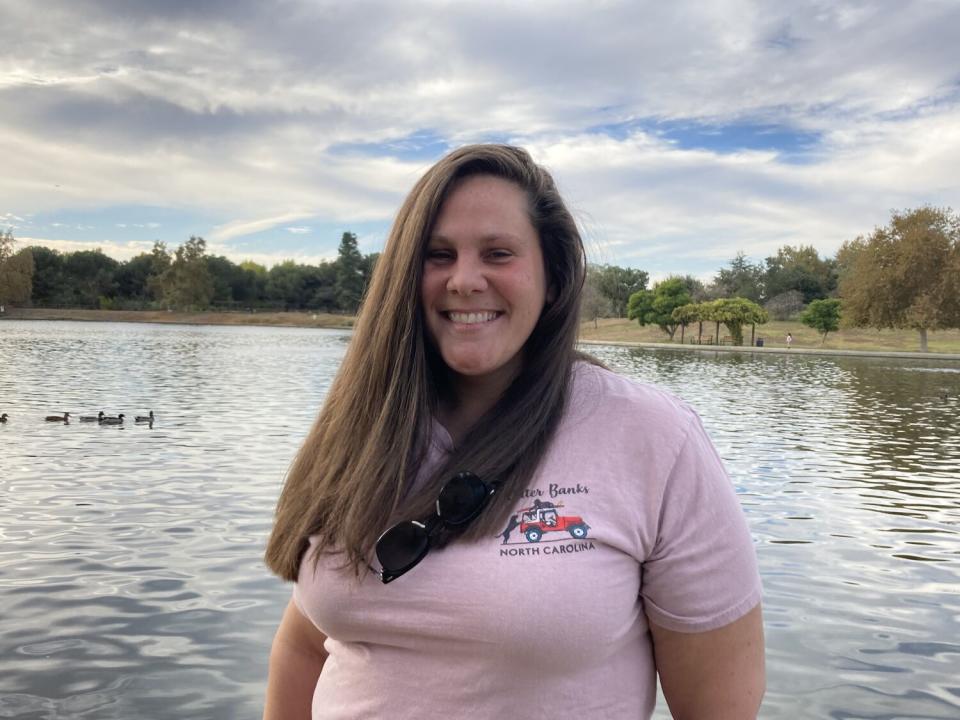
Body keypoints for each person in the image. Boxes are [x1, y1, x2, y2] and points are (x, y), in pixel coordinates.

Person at [263, 145, 765, 719]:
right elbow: (304, 646)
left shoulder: (654, 436)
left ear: (552, 278)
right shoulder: (366, 426)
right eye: (438, 255)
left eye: (498, 253)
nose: (465, 280)